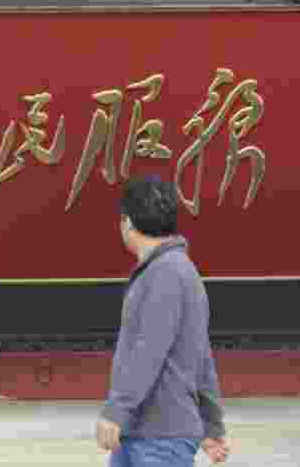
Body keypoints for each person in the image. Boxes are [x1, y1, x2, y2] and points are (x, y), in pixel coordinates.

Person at [95, 175, 230, 466]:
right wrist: (211, 423)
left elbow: (148, 349)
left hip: (158, 438)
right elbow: (201, 356)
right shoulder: (176, 270)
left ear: (127, 221)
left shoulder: (165, 273)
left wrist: (118, 409)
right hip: (145, 434)